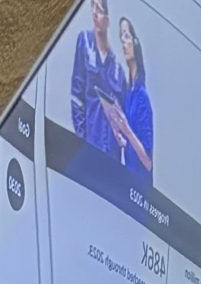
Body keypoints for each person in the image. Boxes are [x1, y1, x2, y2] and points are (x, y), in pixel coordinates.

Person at [71, 0, 124, 153]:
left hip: (112, 151)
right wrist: (82, 139)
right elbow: (76, 96)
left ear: (107, 19)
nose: (94, 13)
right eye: (93, 7)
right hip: (91, 144)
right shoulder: (85, 42)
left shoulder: (117, 65)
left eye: (99, 9)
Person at [103, 18, 155, 172]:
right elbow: (128, 140)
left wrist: (126, 129)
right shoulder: (128, 95)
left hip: (140, 182)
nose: (123, 43)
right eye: (121, 38)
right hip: (128, 177)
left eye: (126, 36)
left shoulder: (141, 97)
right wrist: (118, 131)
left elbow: (148, 162)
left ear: (135, 42)